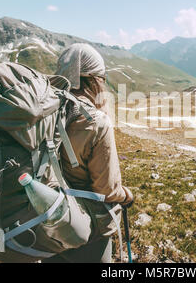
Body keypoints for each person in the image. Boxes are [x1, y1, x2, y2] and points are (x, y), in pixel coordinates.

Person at [42, 43, 134, 263]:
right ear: (93, 80)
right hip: (87, 228)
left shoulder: (44, 112)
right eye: (102, 79)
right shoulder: (96, 121)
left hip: (47, 218)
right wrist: (127, 196)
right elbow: (107, 190)